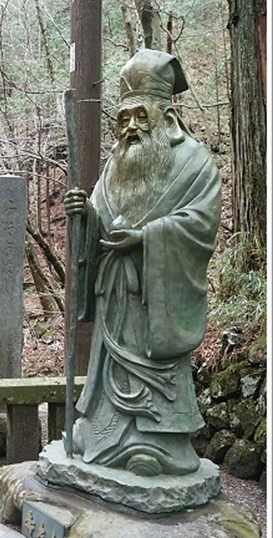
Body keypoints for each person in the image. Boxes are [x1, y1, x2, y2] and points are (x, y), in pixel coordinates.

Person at [64, 48, 221, 477]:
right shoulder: (118, 163)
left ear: (166, 117)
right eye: (124, 117)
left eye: (141, 116)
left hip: (157, 293)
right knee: (107, 374)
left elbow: (200, 224)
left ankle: (161, 442)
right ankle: (100, 432)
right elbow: (101, 213)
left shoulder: (195, 163)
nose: (131, 126)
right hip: (115, 290)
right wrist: (84, 214)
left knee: (153, 368)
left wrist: (147, 237)